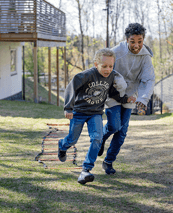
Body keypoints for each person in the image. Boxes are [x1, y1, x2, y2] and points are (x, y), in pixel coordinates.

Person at [58, 48, 136, 184]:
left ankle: (86, 170)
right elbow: (71, 87)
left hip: (95, 113)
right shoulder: (86, 75)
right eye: (104, 66)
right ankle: (62, 146)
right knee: (72, 139)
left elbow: (111, 92)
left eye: (111, 66)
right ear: (96, 64)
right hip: (79, 112)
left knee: (97, 139)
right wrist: (68, 108)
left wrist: (125, 99)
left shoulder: (111, 76)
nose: (108, 69)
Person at [98, 23, 156, 175]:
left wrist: (143, 99)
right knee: (114, 126)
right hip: (114, 95)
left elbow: (148, 79)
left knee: (122, 132)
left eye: (140, 41)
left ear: (143, 40)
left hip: (130, 97)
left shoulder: (145, 56)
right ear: (126, 40)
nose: (136, 45)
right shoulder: (116, 52)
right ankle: (101, 138)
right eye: (132, 41)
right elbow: (104, 70)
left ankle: (108, 161)